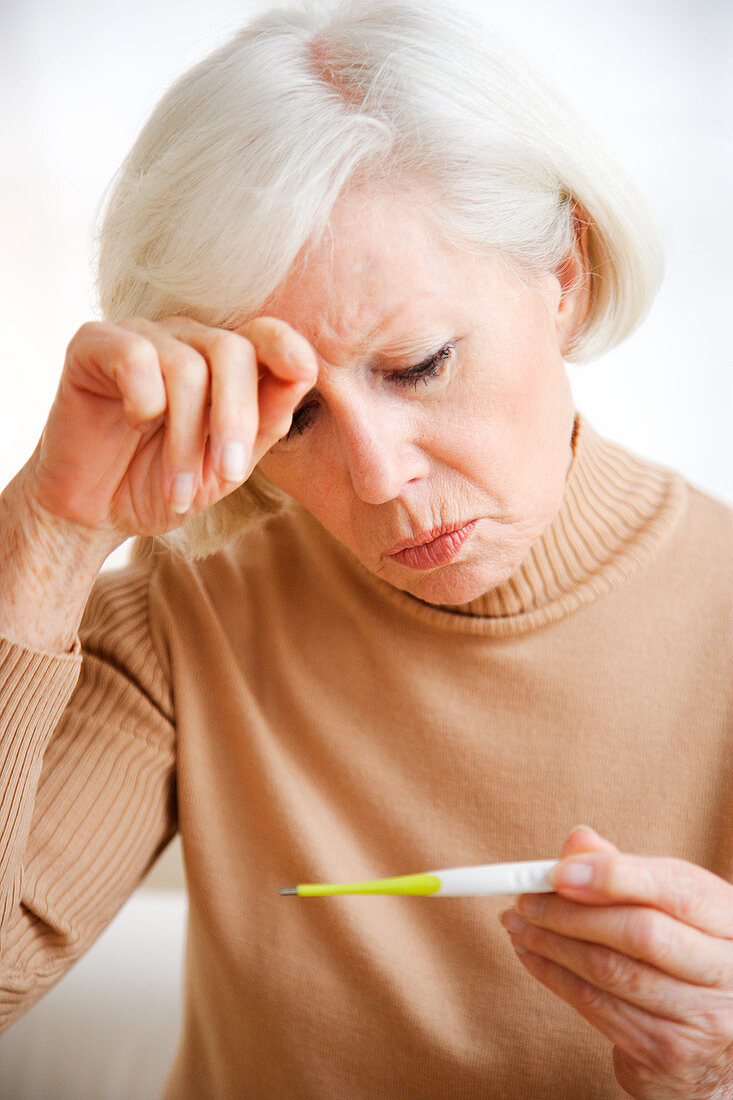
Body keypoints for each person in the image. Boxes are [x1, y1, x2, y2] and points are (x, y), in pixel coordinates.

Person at [0, 0, 731, 1096]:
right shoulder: (185, 610)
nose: (380, 474)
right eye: (293, 416)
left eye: (420, 363)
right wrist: (50, 532)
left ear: (564, 275)